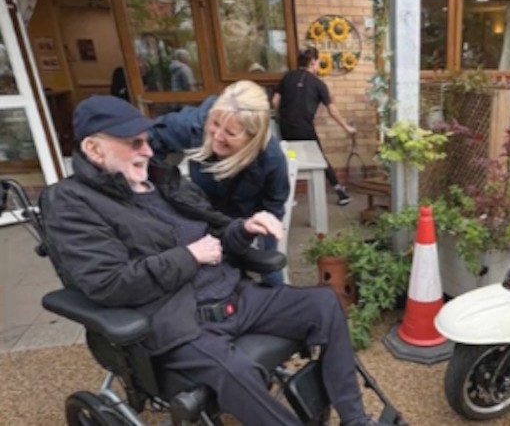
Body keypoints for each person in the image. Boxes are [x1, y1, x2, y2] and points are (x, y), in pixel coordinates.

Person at [41, 95, 386, 426]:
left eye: (147, 141)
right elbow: (109, 283)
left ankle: (355, 419)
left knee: (324, 304)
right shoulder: (72, 205)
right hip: (180, 322)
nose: (147, 151)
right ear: (93, 149)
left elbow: (212, 235)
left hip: (235, 297)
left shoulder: (161, 182)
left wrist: (243, 229)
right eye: (135, 143)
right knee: (237, 372)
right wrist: (188, 256)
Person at [149, 80, 289, 286]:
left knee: (269, 270)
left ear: (252, 137)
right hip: (201, 217)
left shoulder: (271, 160)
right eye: (214, 124)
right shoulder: (194, 124)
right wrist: (158, 190)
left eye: (230, 133)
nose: (217, 137)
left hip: (243, 224)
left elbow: (273, 207)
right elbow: (149, 140)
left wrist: (265, 255)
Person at [272, 47, 356, 206]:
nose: (318, 64)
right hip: (304, 129)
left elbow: (275, 101)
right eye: (317, 62)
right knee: (319, 158)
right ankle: (340, 192)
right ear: (313, 62)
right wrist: (347, 128)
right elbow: (332, 110)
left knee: (289, 158)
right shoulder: (318, 84)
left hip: (286, 128)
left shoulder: (287, 77)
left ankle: (286, 197)